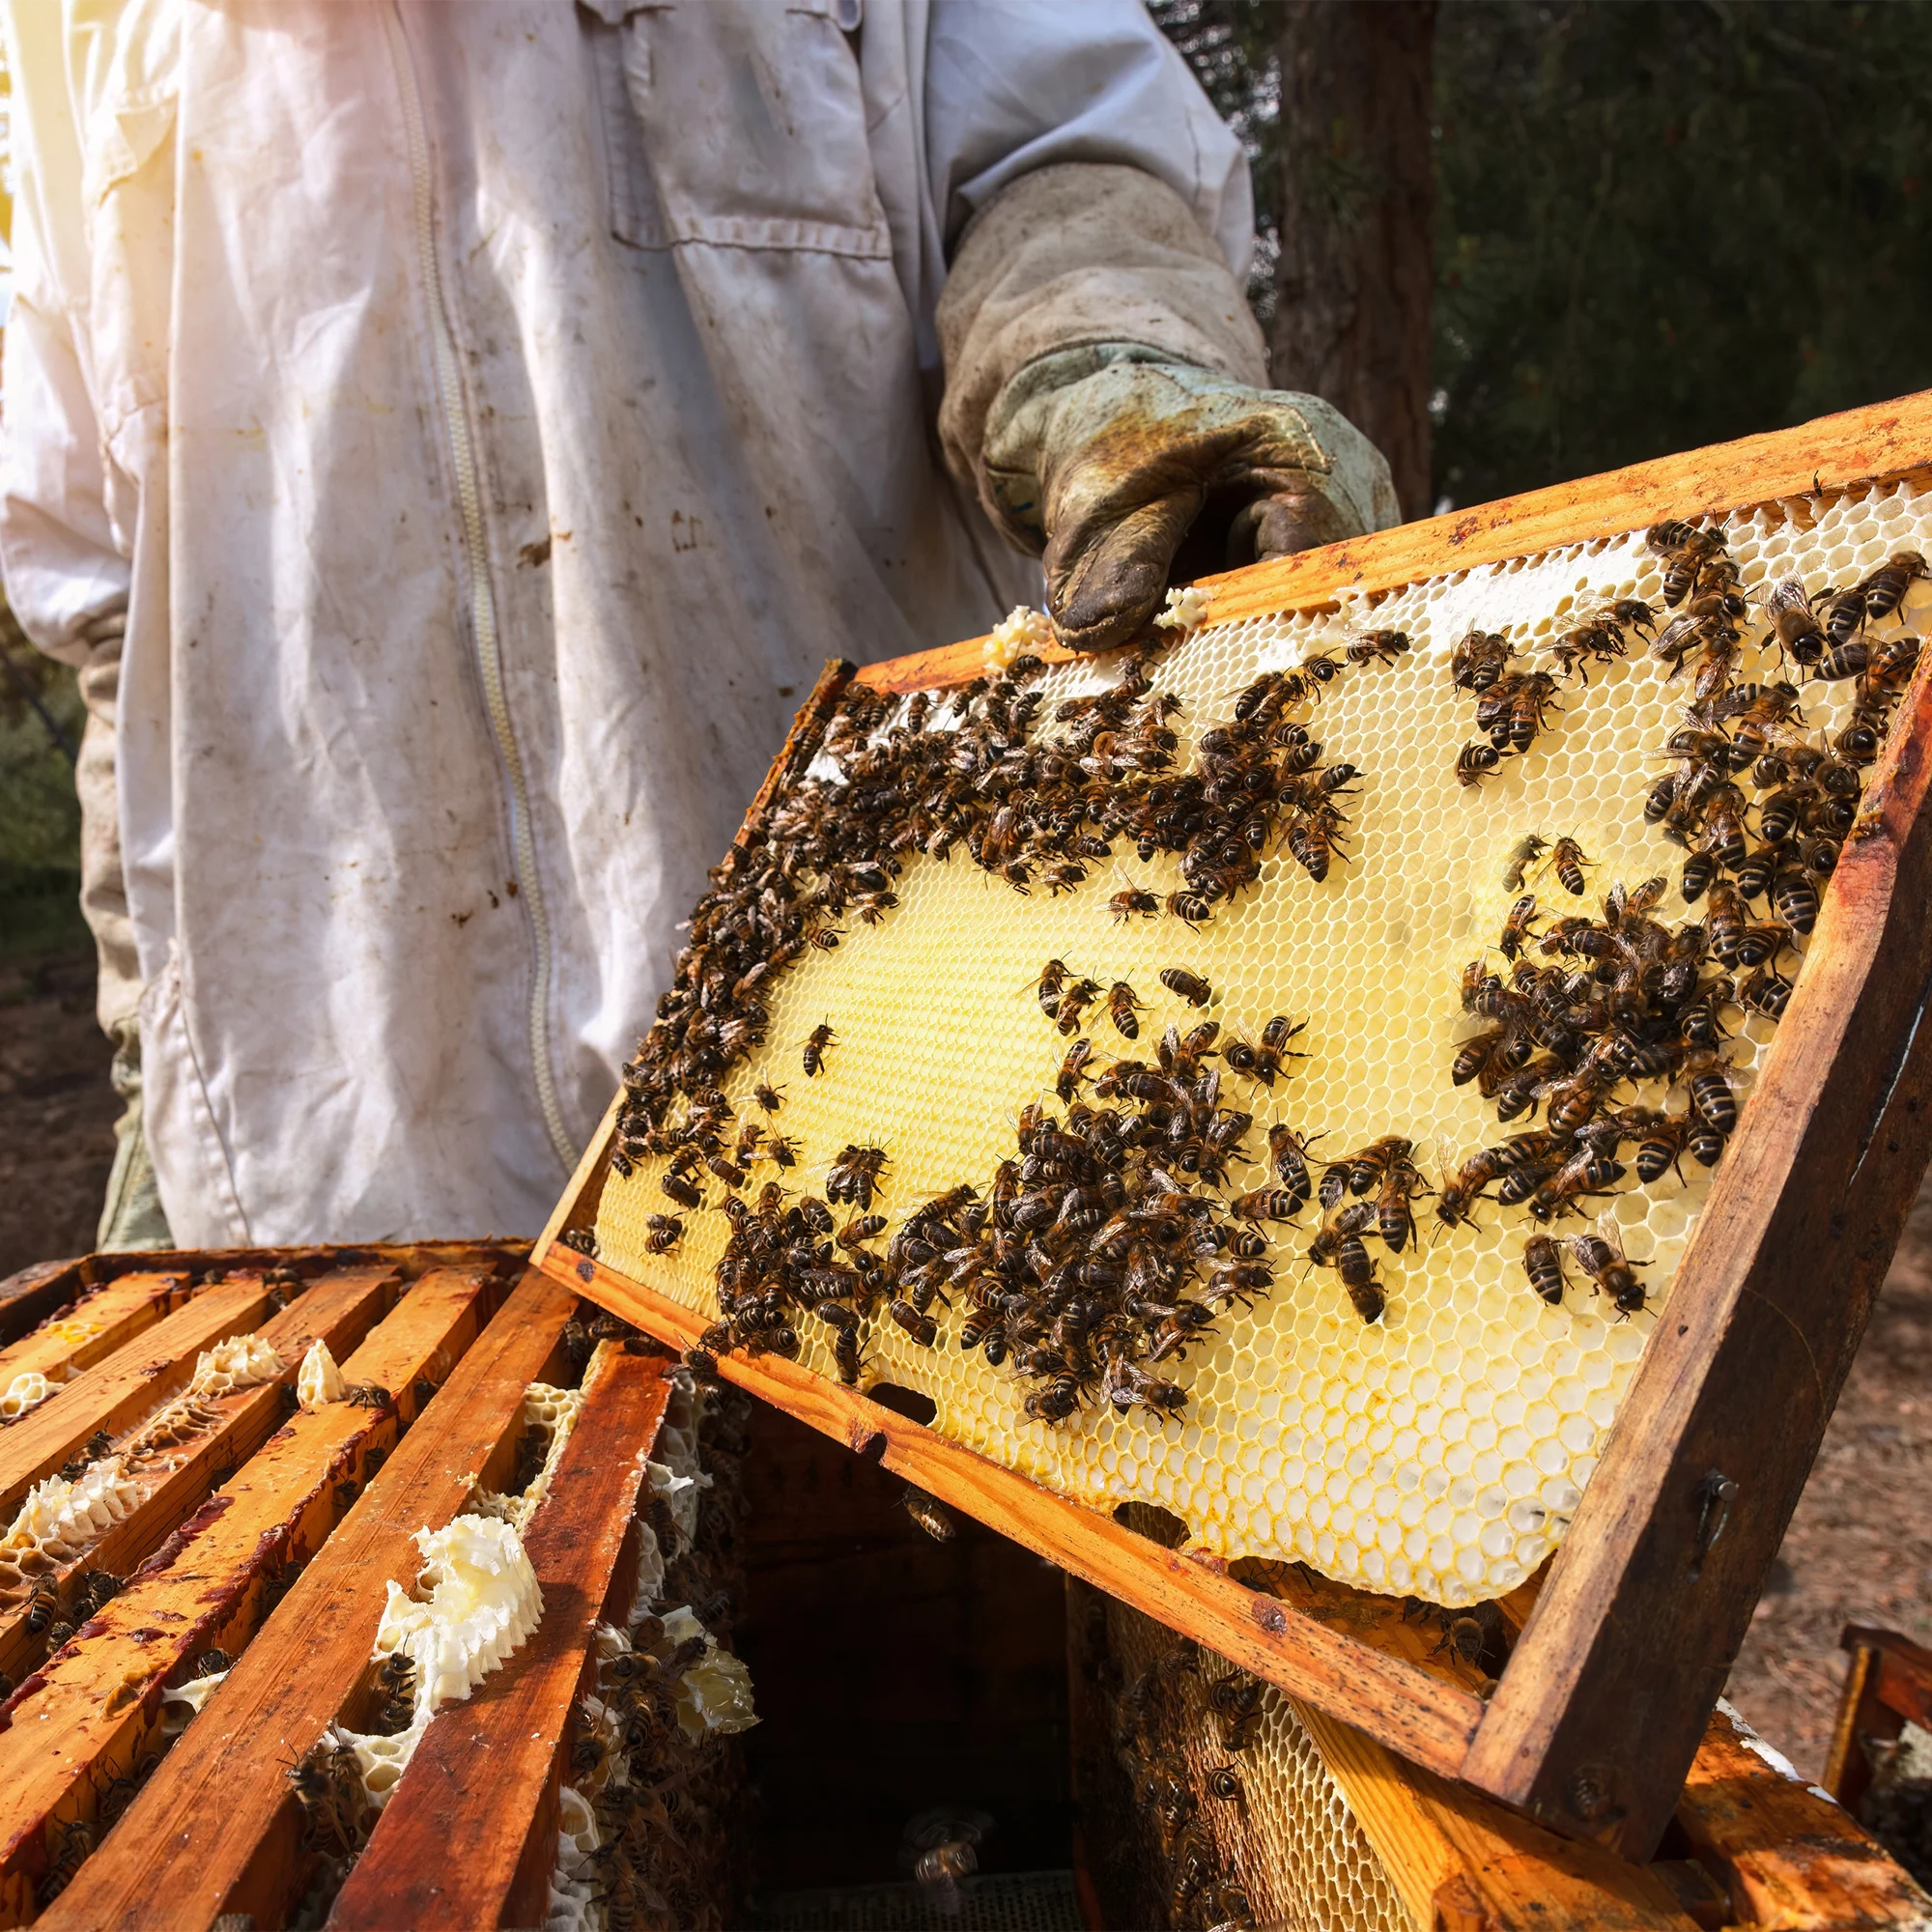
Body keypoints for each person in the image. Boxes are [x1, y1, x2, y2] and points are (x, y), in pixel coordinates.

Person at [0, 1, 1397, 1251]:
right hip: (357, 1186)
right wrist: (155, 1068)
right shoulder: (63, 31)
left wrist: (1096, 363)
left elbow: (1063, 157)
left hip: (914, 1117)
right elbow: (124, 615)